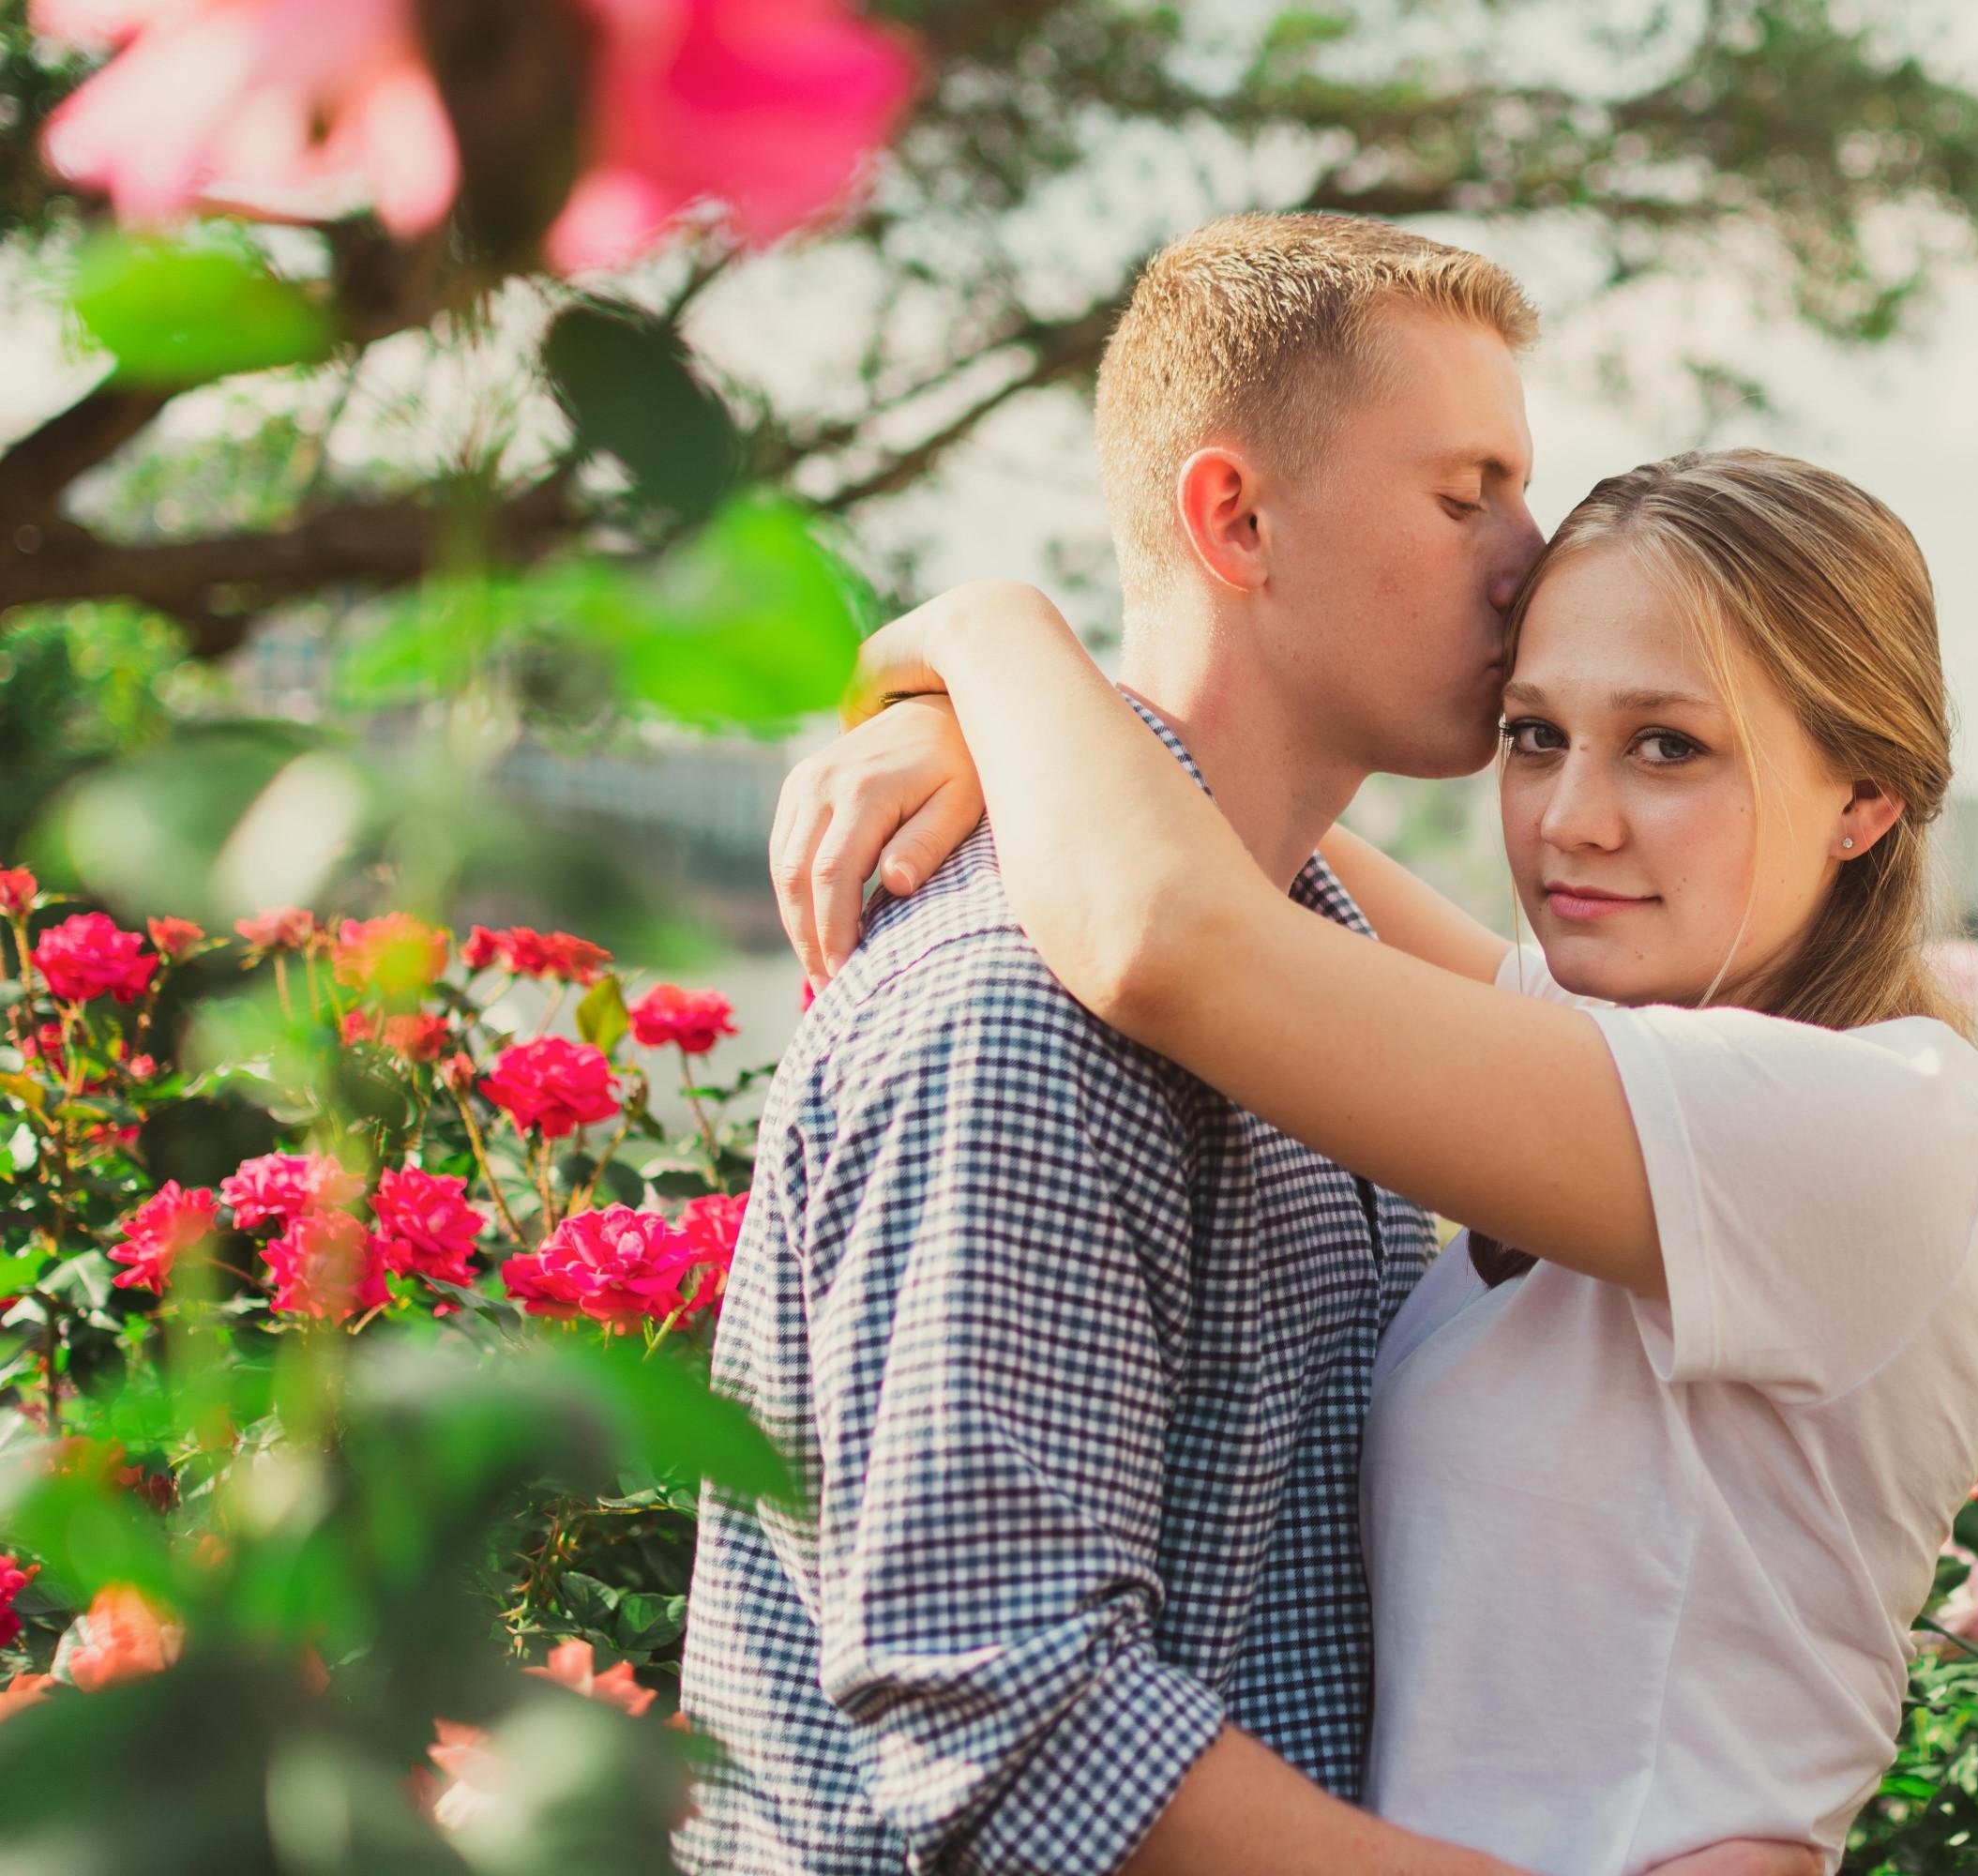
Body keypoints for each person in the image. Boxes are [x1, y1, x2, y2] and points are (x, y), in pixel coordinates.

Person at [679, 214, 1808, 1876]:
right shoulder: (1023, 1012)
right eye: (1466, 489)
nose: (1532, 554)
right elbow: (1007, 1722)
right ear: (1236, 517)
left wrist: (993, 668)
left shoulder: (1305, 970)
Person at [776, 447, 1978, 1873]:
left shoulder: (1879, 1127)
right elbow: (1240, 838)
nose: (1572, 818)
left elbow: (1174, 937)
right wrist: (971, 735)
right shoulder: (1627, 1063)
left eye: (1668, 746)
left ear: (1866, 797)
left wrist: (986, 632)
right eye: (1533, 734)